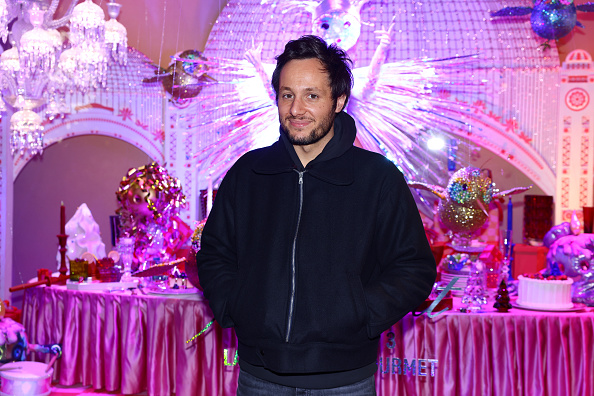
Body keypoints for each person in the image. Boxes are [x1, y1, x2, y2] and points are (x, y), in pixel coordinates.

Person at [196, 35, 436, 395]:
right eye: (287, 94)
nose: (296, 109)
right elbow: (215, 252)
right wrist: (237, 306)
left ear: (338, 101)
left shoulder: (378, 178)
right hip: (258, 377)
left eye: (311, 95)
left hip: (345, 381)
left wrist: (359, 314)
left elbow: (414, 269)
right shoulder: (248, 172)